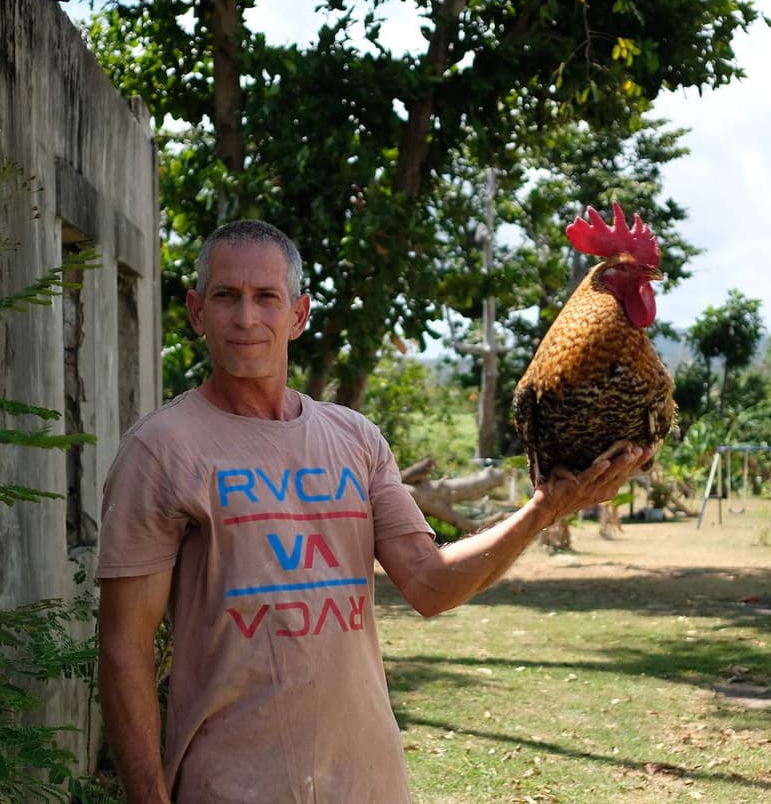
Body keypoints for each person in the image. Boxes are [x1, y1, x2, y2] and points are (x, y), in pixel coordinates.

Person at [97, 219, 650, 804]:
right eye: (226, 296)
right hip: (231, 784)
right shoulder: (160, 451)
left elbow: (430, 585)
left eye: (267, 298)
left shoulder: (355, 439)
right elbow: (123, 650)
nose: (246, 317)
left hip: (366, 781)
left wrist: (542, 509)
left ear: (299, 314)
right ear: (196, 311)